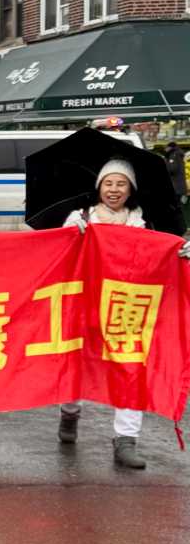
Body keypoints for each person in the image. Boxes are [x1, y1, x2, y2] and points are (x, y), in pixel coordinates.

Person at [58, 159, 189, 468]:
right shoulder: (79, 217)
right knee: (78, 363)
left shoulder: (143, 222)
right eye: (109, 183)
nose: (114, 190)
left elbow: (163, 256)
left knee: (130, 369)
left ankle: (126, 440)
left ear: (130, 190)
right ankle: (69, 414)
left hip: (126, 309)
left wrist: (181, 253)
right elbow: (58, 256)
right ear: (99, 187)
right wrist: (69, 234)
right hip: (84, 306)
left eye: (121, 184)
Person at [165, 140, 188, 227]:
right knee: (177, 208)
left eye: (166, 147)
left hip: (175, 188)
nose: (165, 149)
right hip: (179, 187)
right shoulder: (178, 154)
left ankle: (177, 226)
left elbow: (172, 168)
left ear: (170, 147)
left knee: (174, 208)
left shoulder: (174, 155)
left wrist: (164, 162)